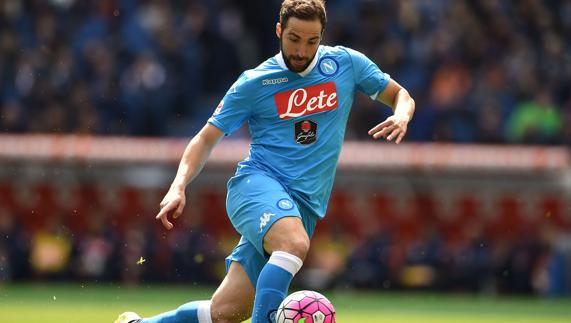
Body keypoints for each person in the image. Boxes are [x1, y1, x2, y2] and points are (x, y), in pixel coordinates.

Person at [115, 0, 415, 322]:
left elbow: (401, 95)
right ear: (279, 31)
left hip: (303, 206)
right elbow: (204, 138)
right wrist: (178, 186)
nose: (302, 50)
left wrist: (401, 114)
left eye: (312, 41)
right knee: (293, 243)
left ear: (322, 37)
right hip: (257, 186)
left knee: (227, 312)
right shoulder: (255, 82)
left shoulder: (346, 64)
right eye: (294, 39)